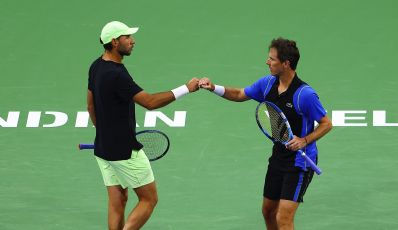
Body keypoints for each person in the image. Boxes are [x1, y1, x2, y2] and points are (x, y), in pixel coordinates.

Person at [199, 37, 332, 230]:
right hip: (279, 156)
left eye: (272, 59)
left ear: (286, 64)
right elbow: (239, 94)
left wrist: (304, 140)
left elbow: (326, 124)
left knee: (283, 218)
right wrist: (213, 88)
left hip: (299, 162)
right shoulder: (268, 84)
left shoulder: (305, 95)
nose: (267, 62)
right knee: (268, 212)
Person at [86, 21, 199, 230]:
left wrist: (103, 133)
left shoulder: (96, 65)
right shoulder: (117, 74)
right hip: (124, 151)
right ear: (114, 42)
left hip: (103, 148)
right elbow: (150, 102)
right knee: (149, 199)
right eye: (127, 37)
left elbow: (90, 104)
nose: (132, 41)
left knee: (117, 199)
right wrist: (186, 88)